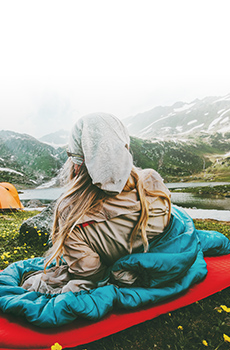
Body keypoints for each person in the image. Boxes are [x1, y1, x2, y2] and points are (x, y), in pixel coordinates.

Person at [21, 112, 172, 294]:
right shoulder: (152, 180)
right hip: (160, 268)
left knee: (34, 282)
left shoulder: (70, 213)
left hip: (113, 277)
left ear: (79, 159)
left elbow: (91, 274)